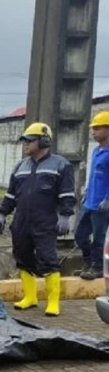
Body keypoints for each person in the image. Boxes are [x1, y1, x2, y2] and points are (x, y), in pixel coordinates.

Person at [0, 123, 75, 316]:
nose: (25, 144)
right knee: (22, 258)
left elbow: (67, 194)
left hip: (45, 221)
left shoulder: (61, 165)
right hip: (22, 221)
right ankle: (30, 297)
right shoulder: (20, 166)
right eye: (24, 141)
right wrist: (2, 213)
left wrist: (65, 216)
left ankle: (53, 302)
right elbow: (11, 195)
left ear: (44, 140)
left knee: (48, 259)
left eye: (29, 140)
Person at [75, 111, 109, 281]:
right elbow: (93, 175)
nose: (93, 132)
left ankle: (97, 267)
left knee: (98, 237)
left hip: (102, 205)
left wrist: (108, 199)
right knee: (80, 235)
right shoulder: (96, 151)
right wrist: (87, 191)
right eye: (93, 129)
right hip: (90, 201)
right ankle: (87, 262)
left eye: (97, 128)